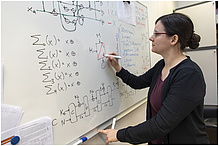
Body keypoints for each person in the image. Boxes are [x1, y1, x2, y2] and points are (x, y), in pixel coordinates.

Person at [98, 13, 210, 144]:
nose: (151, 38)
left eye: (156, 34)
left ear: (173, 39)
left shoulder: (189, 75)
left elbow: (161, 124)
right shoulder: (161, 66)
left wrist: (119, 134)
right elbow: (138, 82)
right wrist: (118, 68)